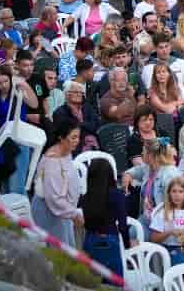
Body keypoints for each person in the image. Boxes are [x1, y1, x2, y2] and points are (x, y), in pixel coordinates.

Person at [30, 118, 84, 248]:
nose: (77, 141)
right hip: (49, 211)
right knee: (58, 253)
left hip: (63, 210)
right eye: (73, 137)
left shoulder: (66, 151)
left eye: (78, 137)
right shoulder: (52, 161)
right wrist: (74, 214)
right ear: (61, 138)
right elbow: (54, 198)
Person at [80, 158, 129, 280]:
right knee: (114, 284)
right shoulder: (117, 195)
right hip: (110, 240)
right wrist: (127, 244)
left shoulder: (85, 197)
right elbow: (123, 225)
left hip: (90, 240)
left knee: (92, 283)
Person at [150, 177, 184, 265]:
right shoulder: (163, 211)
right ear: (169, 193)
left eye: (180, 191)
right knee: (183, 263)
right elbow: (153, 238)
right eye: (174, 191)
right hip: (170, 247)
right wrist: (170, 232)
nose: (177, 195)